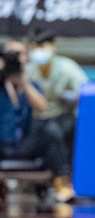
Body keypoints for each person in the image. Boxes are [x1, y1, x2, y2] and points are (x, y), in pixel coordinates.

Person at [0, 41, 73, 202]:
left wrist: (23, 83)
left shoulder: (30, 84)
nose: (15, 59)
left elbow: (42, 107)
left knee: (51, 129)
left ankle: (61, 181)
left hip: (21, 144)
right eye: (11, 55)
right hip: (1, 142)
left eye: (20, 55)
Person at [23, 28, 86, 157]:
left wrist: (70, 96)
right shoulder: (27, 70)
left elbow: (85, 90)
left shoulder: (67, 67)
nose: (38, 51)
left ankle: (63, 173)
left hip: (60, 116)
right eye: (34, 47)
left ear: (53, 47)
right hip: (36, 119)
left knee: (55, 130)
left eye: (42, 46)